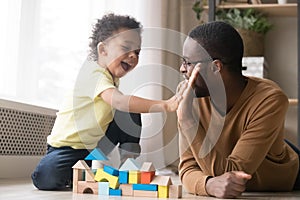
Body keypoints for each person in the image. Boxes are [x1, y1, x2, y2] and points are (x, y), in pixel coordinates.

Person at [31, 13, 184, 190]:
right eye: (126, 48)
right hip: (66, 149)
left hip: (93, 150)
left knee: (130, 110)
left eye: (137, 52)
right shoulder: (93, 73)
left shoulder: (111, 78)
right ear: (103, 50)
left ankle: (128, 165)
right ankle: (75, 175)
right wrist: (165, 104)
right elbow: (119, 102)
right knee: (46, 178)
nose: (133, 56)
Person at [176, 21, 300, 199]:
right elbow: (187, 168)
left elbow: (233, 173)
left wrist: (187, 120)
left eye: (188, 63)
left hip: (278, 174)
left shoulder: (270, 99)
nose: (182, 69)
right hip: (233, 156)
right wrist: (208, 184)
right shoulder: (189, 96)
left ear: (215, 67)